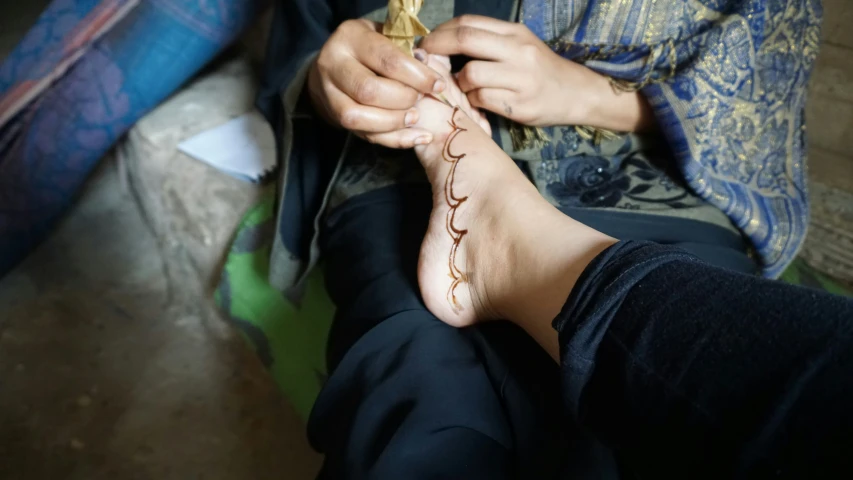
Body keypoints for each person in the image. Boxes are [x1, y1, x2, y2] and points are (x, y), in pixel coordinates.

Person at [256, 0, 835, 477]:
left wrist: (586, 92)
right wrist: (332, 77)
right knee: (419, 407)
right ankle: (501, 233)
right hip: (399, 170)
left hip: (641, 182)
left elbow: (766, 90)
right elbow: (303, 43)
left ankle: (504, 237)